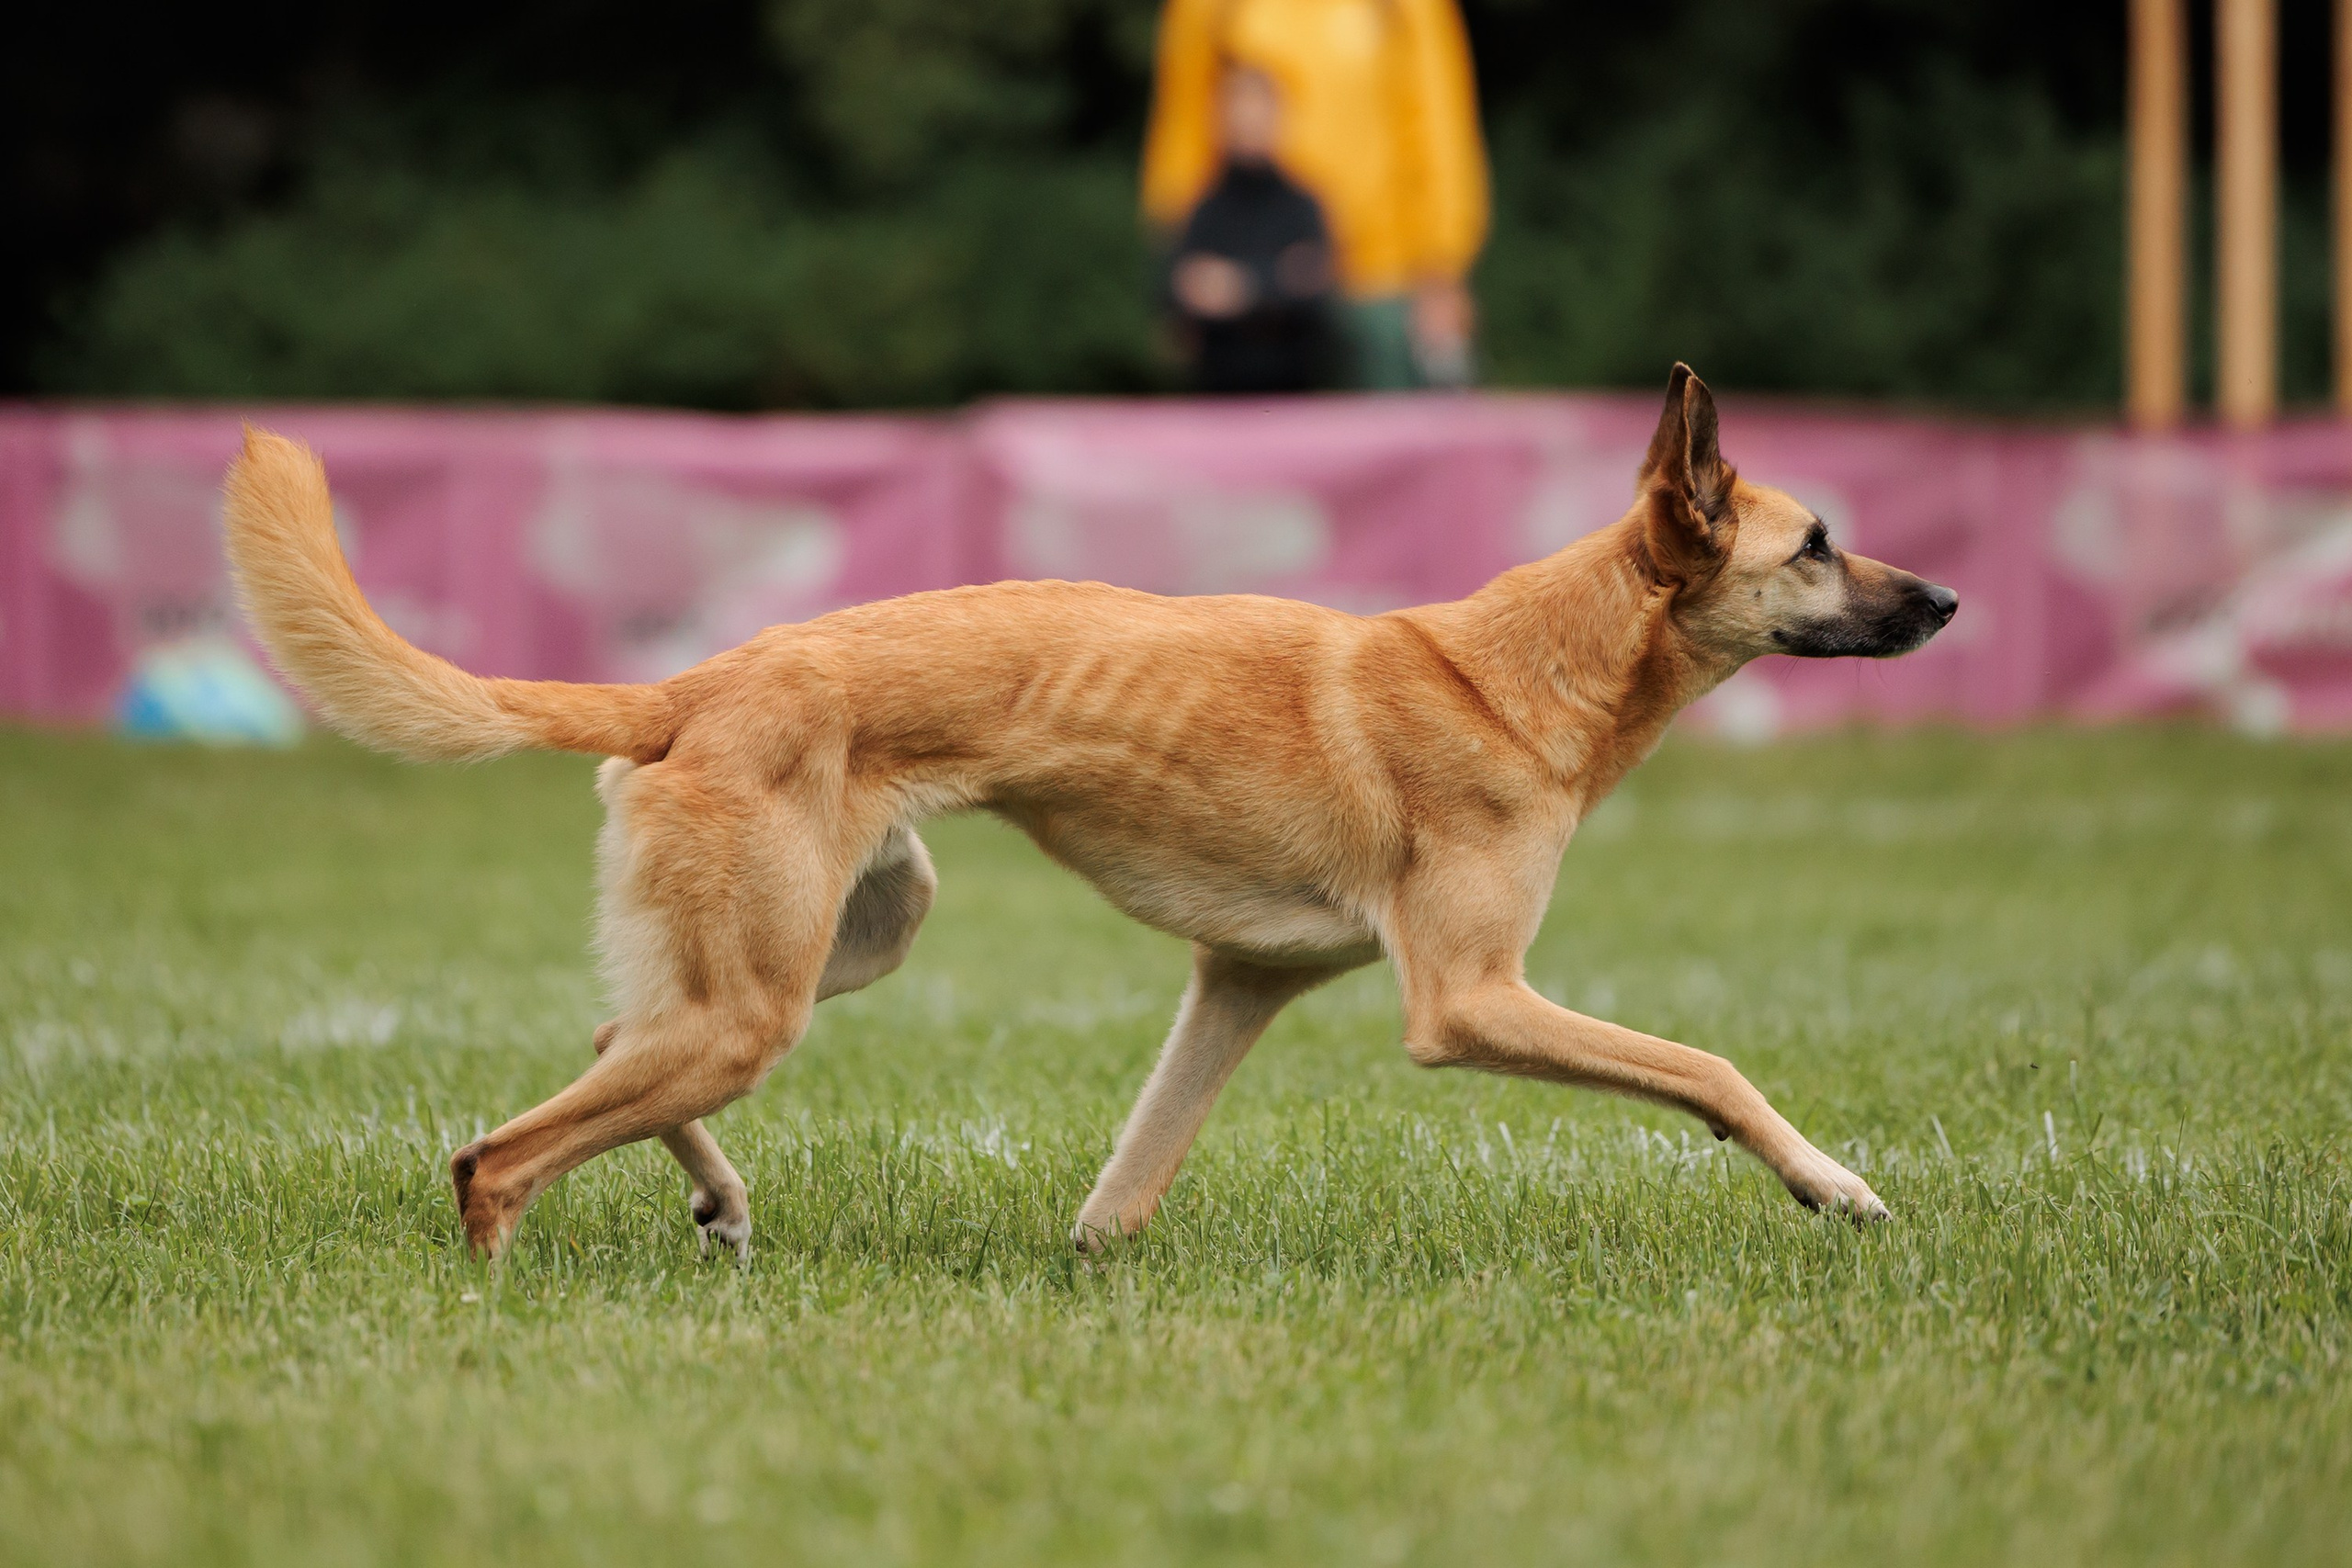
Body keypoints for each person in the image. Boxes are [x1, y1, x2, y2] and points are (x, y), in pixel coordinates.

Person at [1143, 0, 1489, 391]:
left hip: (1381, 280)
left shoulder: (1408, 9)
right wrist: (1176, 267)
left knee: (1390, 440)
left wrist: (1442, 268)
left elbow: (1439, 130)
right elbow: (1183, 132)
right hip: (1258, 301)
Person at [1165, 65, 1340, 394]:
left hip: (1294, 394)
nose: (1248, 125)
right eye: (1238, 113)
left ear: (1278, 118)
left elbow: (1316, 289)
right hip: (1218, 397)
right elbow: (1180, 292)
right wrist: (1276, 280)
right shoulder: (1204, 209)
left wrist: (1237, 287)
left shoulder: (1303, 206)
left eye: (1257, 113)